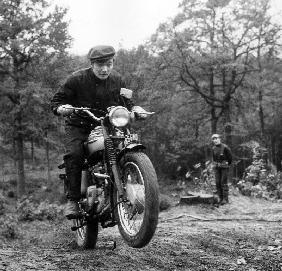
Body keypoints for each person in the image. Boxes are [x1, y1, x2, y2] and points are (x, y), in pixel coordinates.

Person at [51, 45, 146, 219]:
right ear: (92, 63)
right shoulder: (75, 79)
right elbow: (57, 101)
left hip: (109, 123)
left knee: (123, 144)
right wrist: (62, 108)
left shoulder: (118, 80)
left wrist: (136, 109)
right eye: (100, 64)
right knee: (74, 153)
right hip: (80, 124)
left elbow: (128, 103)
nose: (105, 69)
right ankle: (73, 200)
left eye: (109, 64)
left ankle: (124, 185)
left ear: (113, 62)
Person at [211, 134, 232, 205]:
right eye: (213, 139)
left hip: (224, 168)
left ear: (219, 139)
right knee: (217, 183)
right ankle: (220, 198)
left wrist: (226, 164)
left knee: (223, 182)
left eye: (216, 138)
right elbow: (214, 158)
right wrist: (216, 165)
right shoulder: (213, 148)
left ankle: (225, 199)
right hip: (217, 168)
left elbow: (230, 158)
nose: (215, 140)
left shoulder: (225, 147)